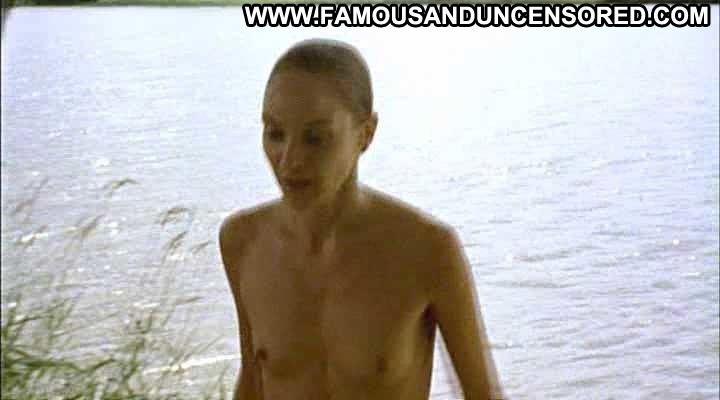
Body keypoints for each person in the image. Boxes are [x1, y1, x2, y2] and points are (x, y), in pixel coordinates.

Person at [219, 38, 505, 400]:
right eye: (275, 133)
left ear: (366, 134)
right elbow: (253, 379)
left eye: (315, 138)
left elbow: (482, 393)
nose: (289, 160)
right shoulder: (242, 241)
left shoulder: (427, 250)